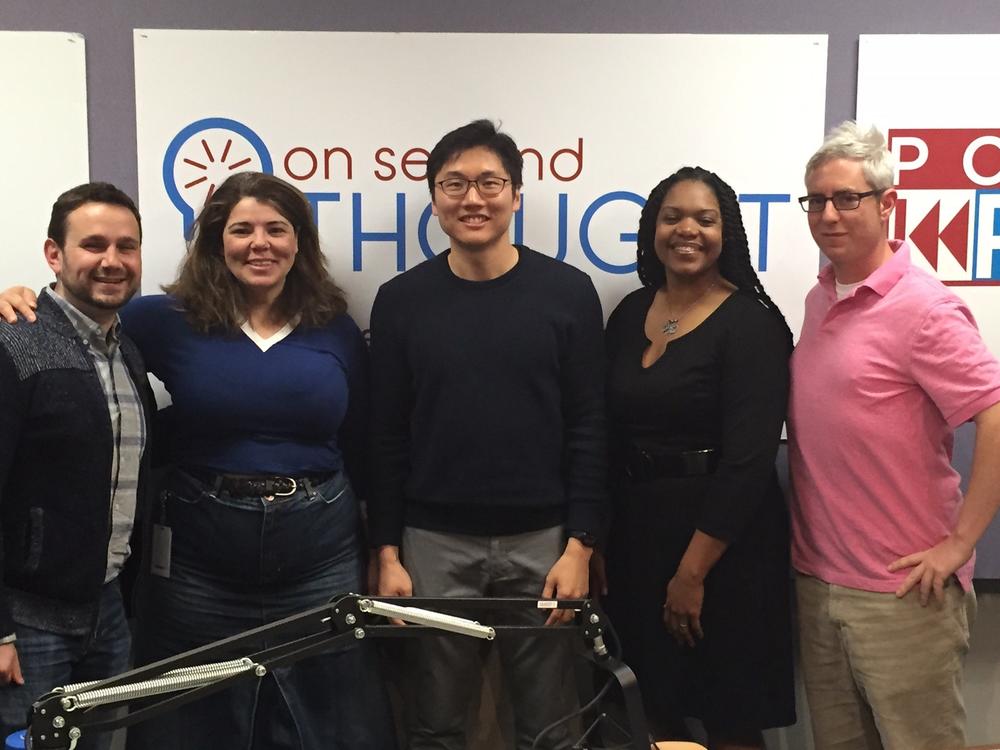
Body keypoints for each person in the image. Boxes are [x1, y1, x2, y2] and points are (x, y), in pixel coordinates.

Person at [0, 172, 395, 750]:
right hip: (198, 563)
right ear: (215, 242)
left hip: (320, 553)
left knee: (326, 713)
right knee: (195, 709)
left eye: (276, 229)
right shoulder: (163, 319)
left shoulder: (334, 327)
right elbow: (77, 321)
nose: (259, 243)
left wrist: (384, 547)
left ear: (299, 242)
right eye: (241, 230)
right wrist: (19, 298)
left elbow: (365, 442)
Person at [369, 119, 607, 750]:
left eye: (489, 183)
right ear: (434, 197)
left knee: (551, 725)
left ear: (517, 194)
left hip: (544, 543)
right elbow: (386, 434)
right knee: (435, 722)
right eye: (454, 184)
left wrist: (580, 546)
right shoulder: (400, 302)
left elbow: (589, 426)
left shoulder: (569, 293)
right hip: (432, 545)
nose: (472, 198)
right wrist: (387, 552)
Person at [789, 121, 1000, 750]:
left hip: (904, 592)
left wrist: (960, 543)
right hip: (818, 580)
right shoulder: (821, 296)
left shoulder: (925, 308)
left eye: (847, 198)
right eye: (816, 200)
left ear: (887, 204)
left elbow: (995, 411)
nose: (828, 214)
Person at [601, 167, 795, 749]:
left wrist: (692, 573)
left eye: (704, 219)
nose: (688, 230)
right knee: (652, 704)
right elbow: (607, 435)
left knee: (727, 714)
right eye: (672, 217)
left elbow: (748, 461)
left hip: (724, 548)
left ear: (726, 233)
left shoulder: (752, 324)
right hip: (638, 537)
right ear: (651, 229)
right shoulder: (628, 313)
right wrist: (603, 540)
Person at [0, 183, 152, 749]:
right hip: (27, 622)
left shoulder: (128, 350)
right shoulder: (14, 341)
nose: (112, 261)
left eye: (127, 246)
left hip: (107, 611)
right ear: (53, 255)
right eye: (93, 245)